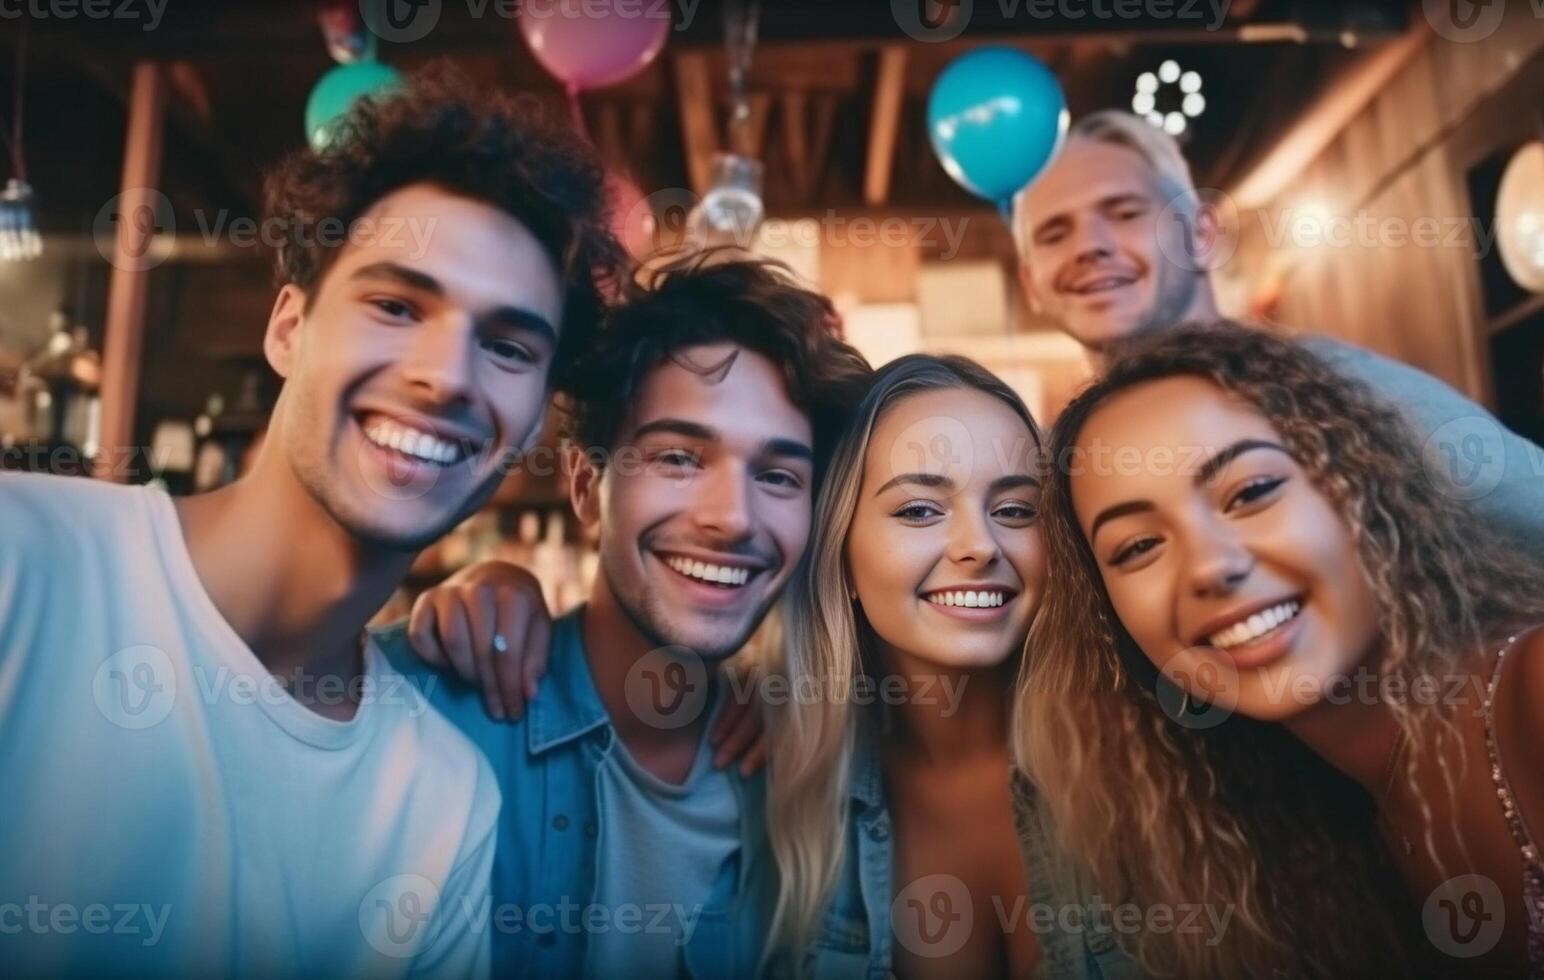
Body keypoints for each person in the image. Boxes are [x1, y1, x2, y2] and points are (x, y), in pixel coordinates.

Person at [0, 67, 621, 977]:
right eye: (396, 305)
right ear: (289, 326)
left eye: (507, 345)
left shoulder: (443, 802)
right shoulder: (24, 563)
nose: (446, 375)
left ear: (534, 419)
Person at [1015, 321, 1544, 977]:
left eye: (1251, 491)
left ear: (1360, 490)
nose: (1208, 565)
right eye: (1138, 545)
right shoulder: (1310, 828)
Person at [1011, 110, 1544, 643]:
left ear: (1202, 232)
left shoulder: (1328, 385)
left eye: (1123, 211)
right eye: (1055, 231)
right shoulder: (1064, 467)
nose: (1091, 246)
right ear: (1031, 282)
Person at [376, 253, 872, 979]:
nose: (731, 519)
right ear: (585, 487)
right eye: (677, 458)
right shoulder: (415, 711)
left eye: (776, 476)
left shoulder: (814, 775)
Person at [764, 355, 1137, 979]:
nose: (981, 545)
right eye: (919, 510)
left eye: (1016, 510)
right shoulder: (771, 782)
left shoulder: (1153, 763)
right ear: (842, 554)